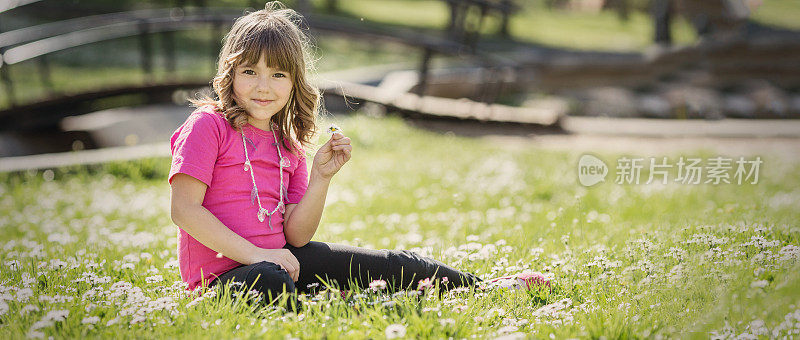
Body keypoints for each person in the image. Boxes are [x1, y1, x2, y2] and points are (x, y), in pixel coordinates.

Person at [168, 2, 546, 311]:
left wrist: (320, 178)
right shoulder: (208, 125)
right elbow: (184, 210)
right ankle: (332, 301)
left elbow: (297, 235)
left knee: (391, 264)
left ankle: (483, 288)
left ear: (295, 81)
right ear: (230, 72)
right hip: (224, 282)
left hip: (281, 259)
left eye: (278, 75)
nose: (263, 87)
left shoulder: (288, 142)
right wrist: (256, 256)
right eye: (250, 71)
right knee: (272, 280)